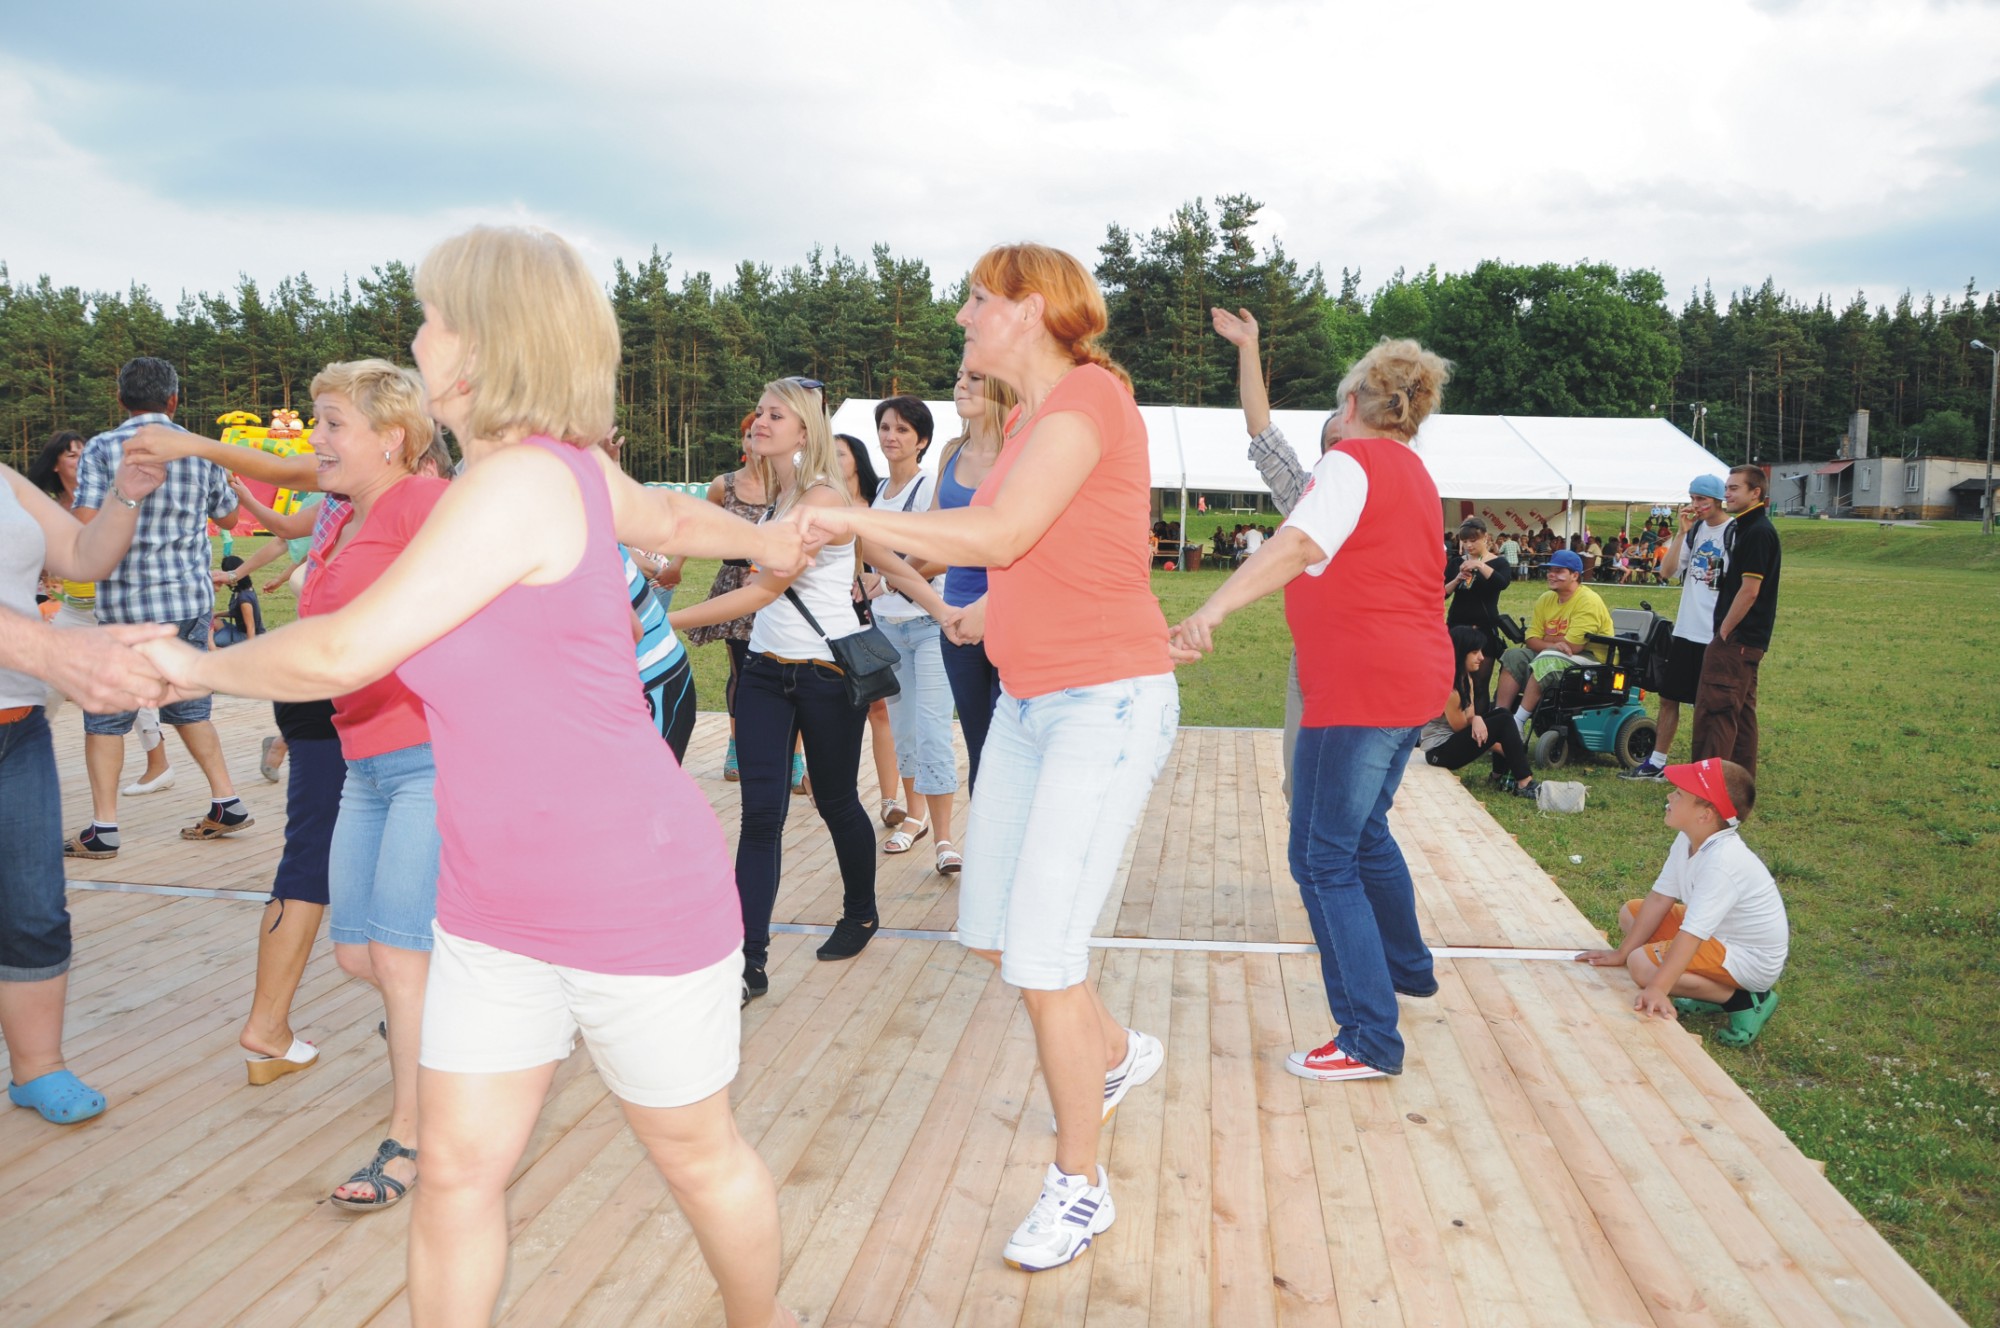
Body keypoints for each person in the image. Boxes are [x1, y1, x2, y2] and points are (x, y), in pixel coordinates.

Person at [136, 225, 801, 1328]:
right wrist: (769, 540)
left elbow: (346, 651)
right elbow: (670, 515)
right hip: (491, 908)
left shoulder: (528, 481)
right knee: (452, 1172)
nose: (416, 337)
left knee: (696, 1156)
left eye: (432, 318)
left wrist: (186, 665)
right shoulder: (544, 471)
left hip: (629, 897)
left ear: (486, 342)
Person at [796, 244, 1180, 1274]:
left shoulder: (1088, 398)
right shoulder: (1027, 426)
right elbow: (1042, 552)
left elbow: (1004, 534)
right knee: (995, 935)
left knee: (1043, 959)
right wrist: (978, 614)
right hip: (1029, 702)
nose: (962, 317)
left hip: (1103, 704)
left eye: (976, 300)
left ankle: (1079, 1186)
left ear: (1031, 309)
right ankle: (1112, 1051)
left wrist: (847, 514)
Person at [1173, 336, 1454, 1091]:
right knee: (1363, 834)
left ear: (1355, 403)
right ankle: (1407, 968)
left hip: (1361, 687)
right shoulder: (1414, 471)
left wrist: (1211, 609)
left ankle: (1368, 1037)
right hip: (1411, 680)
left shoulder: (1348, 463)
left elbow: (1296, 544)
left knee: (1321, 858)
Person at [670, 379, 945, 1000]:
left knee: (837, 802)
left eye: (775, 414)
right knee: (760, 817)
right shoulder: (781, 493)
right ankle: (750, 962)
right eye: (759, 412)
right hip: (765, 671)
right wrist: (939, 605)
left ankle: (861, 913)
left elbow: (765, 589)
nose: (760, 422)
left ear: (803, 429)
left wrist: (664, 622)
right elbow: (886, 560)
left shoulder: (821, 497)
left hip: (825, 675)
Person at [3, 435, 165, 1126]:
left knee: (34, 908)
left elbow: (82, 555)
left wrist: (127, 493)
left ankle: (38, 1067)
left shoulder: (6, 480)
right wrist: (55, 651)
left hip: (15, 729)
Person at [64, 357, 252, 860]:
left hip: (126, 603)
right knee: (189, 708)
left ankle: (104, 829)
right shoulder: (199, 448)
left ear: (120, 398)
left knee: (106, 718)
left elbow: (85, 519)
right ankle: (226, 801)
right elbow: (228, 516)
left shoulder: (103, 447)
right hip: (187, 599)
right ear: (173, 399)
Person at [1211, 305, 1339, 800]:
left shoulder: (1385, 500)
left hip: (1363, 662)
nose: (1341, 453)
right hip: (1309, 659)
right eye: (1332, 445)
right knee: (1299, 784)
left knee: (1348, 792)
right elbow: (1262, 432)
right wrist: (1249, 349)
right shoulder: (1307, 495)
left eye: (1350, 443)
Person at [1577, 757, 1785, 1046]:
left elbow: (1692, 934)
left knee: (1642, 966)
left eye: (1679, 794)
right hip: (1716, 936)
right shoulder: (1689, 839)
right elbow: (1660, 898)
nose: (1669, 795)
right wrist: (1621, 952)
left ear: (1705, 815)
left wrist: (1658, 988)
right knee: (1631, 914)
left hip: (1746, 958)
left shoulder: (1722, 862)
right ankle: (1707, 986)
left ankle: (1743, 999)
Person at [29, 429, 175, 795]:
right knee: (45, 684)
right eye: (71, 454)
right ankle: (24, 758)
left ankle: (159, 765)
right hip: (72, 611)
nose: (80, 459)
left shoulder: (105, 498)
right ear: (56, 464)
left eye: (83, 453)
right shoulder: (48, 508)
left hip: (111, 606)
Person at [867, 396, 961, 872]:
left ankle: (945, 840)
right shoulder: (879, 491)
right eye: (886, 427)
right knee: (903, 730)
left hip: (928, 626)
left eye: (903, 429)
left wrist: (887, 579)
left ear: (921, 440)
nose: (892, 436)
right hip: (887, 626)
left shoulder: (930, 488)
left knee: (932, 729)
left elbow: (943, 553)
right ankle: (914, 816)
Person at [932, 363, 1017, 793]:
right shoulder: (951, 451)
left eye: (974, 378)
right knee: (979, 749)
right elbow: (933, 534)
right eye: (958, 376)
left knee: (1009, 750)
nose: (960, 385)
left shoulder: (1021, 450)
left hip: (1012, 617)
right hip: (957, 622)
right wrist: (886, 576)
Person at [681, 417, 773, 784]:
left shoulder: (789, 485)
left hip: (778, 587)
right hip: (735, 583)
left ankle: (793, 757)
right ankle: (737, 747)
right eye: (750, 435)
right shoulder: (724, 486)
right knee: (742, 671)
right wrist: (675, 565)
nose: (756, 440)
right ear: (743, 442)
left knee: (785, 670)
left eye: (762, 433)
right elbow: (699, 526)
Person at [1622, 474, 1731, 781]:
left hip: (1713, 632)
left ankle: (1706, 767)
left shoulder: (1733, 531)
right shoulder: (1694, 531)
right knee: (1669, 697)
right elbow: (1667, 572)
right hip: (1685, 629)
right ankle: (1657, 761)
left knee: (1706, 704)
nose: (1696, 505)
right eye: (1692, 498)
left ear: (1718, 500)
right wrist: (1682, 533)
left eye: (1702, 499)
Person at [1693, 465, 1780, 775]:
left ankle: (1705, 785)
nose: (1726, 494)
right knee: (1741, 716)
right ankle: (1739, 784)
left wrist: (1724, 633)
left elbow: (1750, 591)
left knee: (1716, 712)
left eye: (1734, 488)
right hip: (1746, 641)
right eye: (1726, 488)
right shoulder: (1745, 527)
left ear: (1755, 493)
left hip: (1738, 640)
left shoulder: (1757, 531)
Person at [833, 431, 902, 810]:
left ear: (857, 460)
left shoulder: (879, 502)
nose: (831, 460)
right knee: (831, 703)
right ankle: (822, 778)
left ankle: (889, 800)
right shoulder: (817, 503)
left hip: (872, 613)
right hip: (827, 617)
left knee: (880, 707)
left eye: (839, 454)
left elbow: (895, 558)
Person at [1491, 548, 1615, 734]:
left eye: (1558, 571)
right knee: (1513, 656)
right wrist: (1553, 644)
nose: (1551, 575)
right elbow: (1530, 639)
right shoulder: (1546, 599)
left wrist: (1546, 640)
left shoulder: (1588, 601)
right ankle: (1499, 718)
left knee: (1547, 659)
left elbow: (1574, 646)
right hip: (1559, 652)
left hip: (1593, 658)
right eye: (1550, 570)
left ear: (1575, 575)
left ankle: (1517, 722)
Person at [1421, 627, 1536, 797]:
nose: (1482, 657)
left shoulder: (1465, 678)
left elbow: (1470, 717)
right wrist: (1503, 747)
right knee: (1503, 723)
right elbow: (1461, 728)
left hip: (1454, 741)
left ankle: (1497, 775)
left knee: (1503, 713)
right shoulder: (1449, 689)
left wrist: (1477, 719)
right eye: (1475, 652)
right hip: (1439, 752)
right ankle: (1524, 784)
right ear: (1460, 653)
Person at [1443, 517, 1512, 709]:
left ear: (1486, 538)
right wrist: (1457, 579)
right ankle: (1455, 721)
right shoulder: (1456, 562)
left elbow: (1502, 583)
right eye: (1465, 541)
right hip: (1458, 627)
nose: (1469, 545)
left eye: (1473, 540)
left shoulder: (1499, 562)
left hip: (1484, 628)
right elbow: (1442, 593)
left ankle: (1479, 722)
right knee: (1454, 681)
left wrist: (1480, 565)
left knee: (1480, 684)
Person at [209, 555, 264, 646]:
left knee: (210, 641)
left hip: (248, 636)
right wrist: (216, 614)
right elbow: (237, 612)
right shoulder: (243, 590)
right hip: (239, 630)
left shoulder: (244, 599)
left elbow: (250, 627)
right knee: (212, 622)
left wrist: (250, 648)